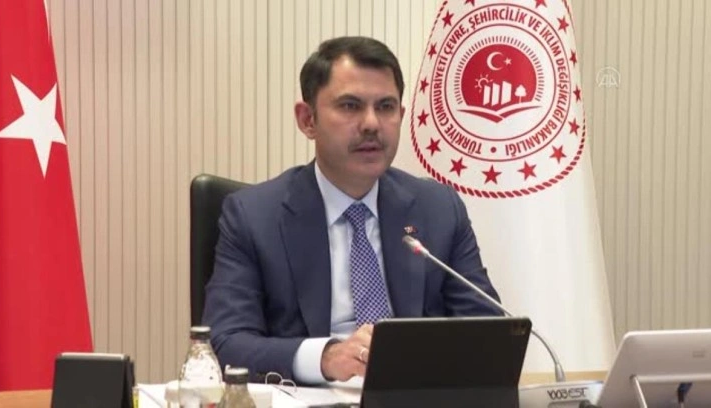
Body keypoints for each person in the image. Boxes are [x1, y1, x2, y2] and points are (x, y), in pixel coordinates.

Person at [202, 36, 501, 385]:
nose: (372, 123)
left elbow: (489, 333)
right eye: (350, 106)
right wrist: (327, 357)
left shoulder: (439, 209)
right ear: (307, 119)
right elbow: (226, 343)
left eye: (386, 107)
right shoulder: (253, 217)